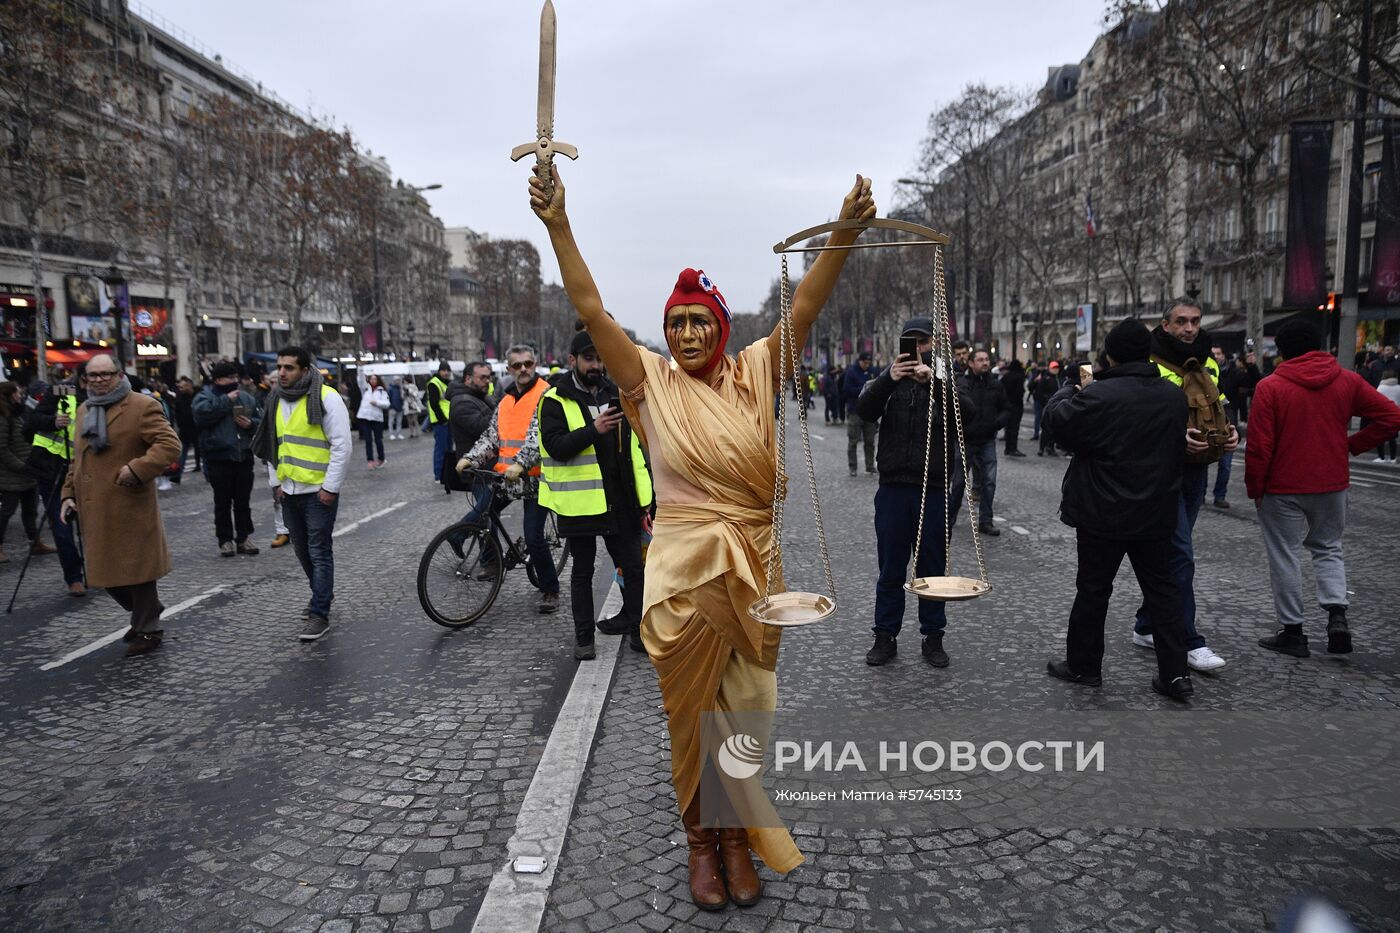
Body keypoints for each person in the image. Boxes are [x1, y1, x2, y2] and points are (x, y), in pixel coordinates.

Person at [531, 162, 875, 910]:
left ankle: (732, 834)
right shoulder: (648, 382)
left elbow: (808, 303)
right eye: (676, 322)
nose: (687, 332)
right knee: (692, 717)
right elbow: (591, 308)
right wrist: (558, 225)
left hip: (754, 566)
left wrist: (843, 234)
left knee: (744, 714)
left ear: (720, 326)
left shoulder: (759, 370)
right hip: (684, 574)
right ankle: (702, 842)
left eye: (700, 321)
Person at [1043, 320, 1194, 700]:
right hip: (1156, 511)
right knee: (1163, 593)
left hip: (1102, 510)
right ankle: (1175, 674)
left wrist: (1068, 391)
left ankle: (1084, 666)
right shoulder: (1173, 396)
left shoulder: (1099, 395)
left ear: (1109, 354)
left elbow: (1058, 424)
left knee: (1094, 591)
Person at [1246, 321, 1400, 657]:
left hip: (1282, 484)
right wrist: (1352, 445)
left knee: (1284, 554)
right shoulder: (1347, 380)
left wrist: (1256, 488)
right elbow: (1391, 417)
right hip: (1331, 482)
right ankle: (1337, 616)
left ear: (1281, 352)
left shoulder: (1271, 387)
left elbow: (1260, 446)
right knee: (1329, 547)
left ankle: (1293, 631)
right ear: (1318, 345)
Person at [856, 318, 968, 668]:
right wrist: (891, 379)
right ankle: (885, 635)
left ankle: (933, 637)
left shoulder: (945, 379)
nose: (918, 349)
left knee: (932, 569)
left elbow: (968, 417)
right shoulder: (887, 380)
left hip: (932, 489)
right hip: (893, 488)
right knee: (891, 567)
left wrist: (933, 381)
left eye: (924, 342)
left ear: (934, 344)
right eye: (912, 342)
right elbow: (864, 410)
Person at [1130, 299, 1232, 672]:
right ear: (1166, 325)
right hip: (1161, 470)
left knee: (1173, 557)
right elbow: (1138, 417)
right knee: (1180, 557)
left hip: (1196, 469)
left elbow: (1216, 402)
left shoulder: (1208, 362)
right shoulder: (1150, 364)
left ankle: (1146, 624)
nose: (1190, 328)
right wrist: (1175, 437)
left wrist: (1228, 430)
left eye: (1195, 321)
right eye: (1182, 322)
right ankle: (1188, 640)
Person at [538, 329, 652, 659]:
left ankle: (637, 631)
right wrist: (594, 429)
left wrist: (646, 500)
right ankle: (584, 638)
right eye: (589, 358)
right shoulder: (554, 400)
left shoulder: (615, 393)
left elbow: (635, 450)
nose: (596, 365)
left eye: (600, 359)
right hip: (582, 505)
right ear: (572, 360)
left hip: (621, 501)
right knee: (582, 573)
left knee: (633, 569)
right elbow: (555, 447)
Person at [58, 354, 182, 656]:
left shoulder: (141, 405)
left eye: (106, 374)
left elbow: (169, 445)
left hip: (129, 504)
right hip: (93, 506)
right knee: (105, 576)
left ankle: (149, 628)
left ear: (118, 374)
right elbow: (78, 459)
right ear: (85, 379)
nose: (99, 380)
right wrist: (67, 494)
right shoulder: (86, 408)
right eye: (93, 375)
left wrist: (137, 469)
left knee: (136, 572)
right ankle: (146, 612)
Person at [252, 346, 352, 641]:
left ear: (306, 371)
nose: (281, 373)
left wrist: (330, 488)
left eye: (289, 368)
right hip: (290, 489)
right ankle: (323, 593)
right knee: (302, 550)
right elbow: (274, 445)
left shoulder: (326, 397)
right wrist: (276, 484)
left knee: (319, 551)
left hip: (318, 491)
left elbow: (341, 447)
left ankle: (319, 613)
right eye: (279, 367)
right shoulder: (275, 399)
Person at [461, 344, 561, 615]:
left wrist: (521, 463)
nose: (524, 369)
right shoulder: (505, 401)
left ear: (536, 364)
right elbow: (492, 436)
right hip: (509, 478)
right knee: (483, 513)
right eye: (517, 365)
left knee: (534, 537)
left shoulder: (547, 395)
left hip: (538, 478)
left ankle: (550, 588)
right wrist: (471, 457)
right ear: (509, 369)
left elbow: (539, 436)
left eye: (528, 363)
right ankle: (492, 561)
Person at [191, 361, 263, 557]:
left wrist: (250, 425)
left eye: (235, 377)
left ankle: (244, 537)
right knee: (222, 502)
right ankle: (225, 540)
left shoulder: (246, 398)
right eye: (229, 378)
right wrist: (225, 401)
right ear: (217, 380)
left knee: (243, 501)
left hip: (242, 456)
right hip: (218, 457)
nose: (234, 381)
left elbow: (261, 421)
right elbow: (201, 416)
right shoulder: (205, 397)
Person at [27, 366, 87, 596]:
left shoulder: (100, 398)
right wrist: (53, 421)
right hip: (51, 469)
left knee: (92, 523)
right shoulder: (60, 392)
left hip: (81, 469)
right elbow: (32, 422)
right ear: (82, 378)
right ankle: (74, 577)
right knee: (62, 526)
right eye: (91, 376)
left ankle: (101, 569)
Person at [958, 348, 1009, 536]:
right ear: (971, 363)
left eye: (987, 359)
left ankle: (985, 521)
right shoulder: (963, 383)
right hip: (965, 440)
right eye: (980, 360)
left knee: (989, 482)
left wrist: (996, 424)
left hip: (987, 439)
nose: (985, 363)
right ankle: (949, 519)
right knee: (957, 483)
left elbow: (1006, 408)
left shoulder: (995, 385)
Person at [0, 382, 51, 562]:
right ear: (8, 395)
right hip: (11, 474)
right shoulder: (3, 417)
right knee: (6, 512)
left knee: (30, 511)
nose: (20, 395)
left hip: (27, 470)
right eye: (16, 393)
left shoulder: (19, 413)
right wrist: (20, 466)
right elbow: (2, 449)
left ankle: (35, 542)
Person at [843, 352, 877, 476]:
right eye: (864, 363)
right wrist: (863, 390)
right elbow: (846, 390)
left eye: (868, 363)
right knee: (853, 440)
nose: (866, 365)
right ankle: (853, 466)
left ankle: (870, 465)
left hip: (870, 411)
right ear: (860, 361)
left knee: (870, 441)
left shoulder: (873, 371)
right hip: (855, 411)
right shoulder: (851, 372)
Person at [426, 361, 453, 481]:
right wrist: (442, 419)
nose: (446, 372)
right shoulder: (434, 383)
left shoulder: (447, 383)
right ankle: (439, 475)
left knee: (449, 449)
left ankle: (447, 474)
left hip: (449, 420)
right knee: (441, 449)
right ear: (439, 371)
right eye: (444, 370)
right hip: (441, 421)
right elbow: (434, 404)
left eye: (448, 370)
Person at [356, 372, 390, 468]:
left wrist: (377, 403)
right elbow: (360, 380)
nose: (373, 381)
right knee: (368, 439)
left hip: (376, 418)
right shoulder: (366, 390)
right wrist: (360, 367)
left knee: (378, 439)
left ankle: (381, 458)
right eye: (371, 379)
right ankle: (370, 459)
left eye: (375, 379)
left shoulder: (382, 392)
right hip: (364, 417)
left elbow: (387, 404)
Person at [172, 376, 199, 483]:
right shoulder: (179, 398)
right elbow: (177, 413)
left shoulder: (197, 395)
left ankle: (206, 473)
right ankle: (177, 475)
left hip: (197, 428)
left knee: (201, 450)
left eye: (182, 387)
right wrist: (180, 424)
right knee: (182, 453)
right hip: (185, 429)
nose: (180, 389)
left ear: (189, 386)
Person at [1032, 361, 1061, 456]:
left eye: (1057, 368)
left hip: (1055, 406)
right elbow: (1040, 393)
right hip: (1048, 406)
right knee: (1046, 428)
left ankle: (1050, 447)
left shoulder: (1057, 379)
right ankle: (1042, 448)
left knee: (1054, 428)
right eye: (1054, 368)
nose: (1056, 369)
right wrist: (1046, 403)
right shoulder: (1045, 379)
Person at [1000, 359, 1027, 457]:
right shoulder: (1019, 377)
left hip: (1007, 404)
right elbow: (1020, 392)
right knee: (1015, 427)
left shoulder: (1006, 376)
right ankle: (1013, 448)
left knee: (1008, 427)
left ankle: (1008, 448)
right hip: (1016, 405)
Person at [1376, 370, 1400, 462]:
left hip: (1382, 414)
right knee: (1392, 438)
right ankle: (1393, 458)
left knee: (1380, 437)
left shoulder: (1381, 388)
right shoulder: (1399, 388)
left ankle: (1381, 457)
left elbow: (1376, 400)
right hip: (1395, 414)